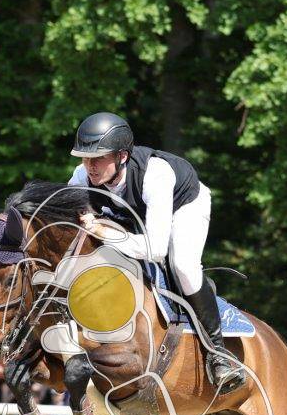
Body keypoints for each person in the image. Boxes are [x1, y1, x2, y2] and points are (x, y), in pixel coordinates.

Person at [66, 112, 244, 395]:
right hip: (136, 215)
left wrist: (103, 231)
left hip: (183, 205)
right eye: (86, 158)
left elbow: (155, 249)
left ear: (122, 156)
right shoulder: (82, 176)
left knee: (183, 265)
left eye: (98, 158)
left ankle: (218, 353)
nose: (90, 166)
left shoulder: (155, 175)